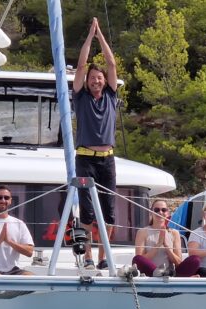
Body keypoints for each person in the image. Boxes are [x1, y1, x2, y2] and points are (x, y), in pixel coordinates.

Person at [72, 17, 119, 270]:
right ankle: (89, 256)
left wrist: (101, 35)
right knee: (88, 211)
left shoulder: (111, 95)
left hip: (107, 159)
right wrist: (89, 36)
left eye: (99, 77)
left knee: (109, 210)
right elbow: (80, 66)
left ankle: (103, 257)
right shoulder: (80, 97)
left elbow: (111, 63)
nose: (96, 80)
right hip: (85, 158)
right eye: (93, 78)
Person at [132, 200, 200, 277]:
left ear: (168, 213)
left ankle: (168, 275)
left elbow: (178, 262)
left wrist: (167, 247)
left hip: (170, 273)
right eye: (156, 210)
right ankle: (159, 274)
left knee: (195, 259)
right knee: (137, 259)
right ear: (151, 212)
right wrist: (158, 245)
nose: (160, 212)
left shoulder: (174, 233)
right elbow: (140, 260)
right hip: (150, 273)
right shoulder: (142, 232)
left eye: (163, 210)